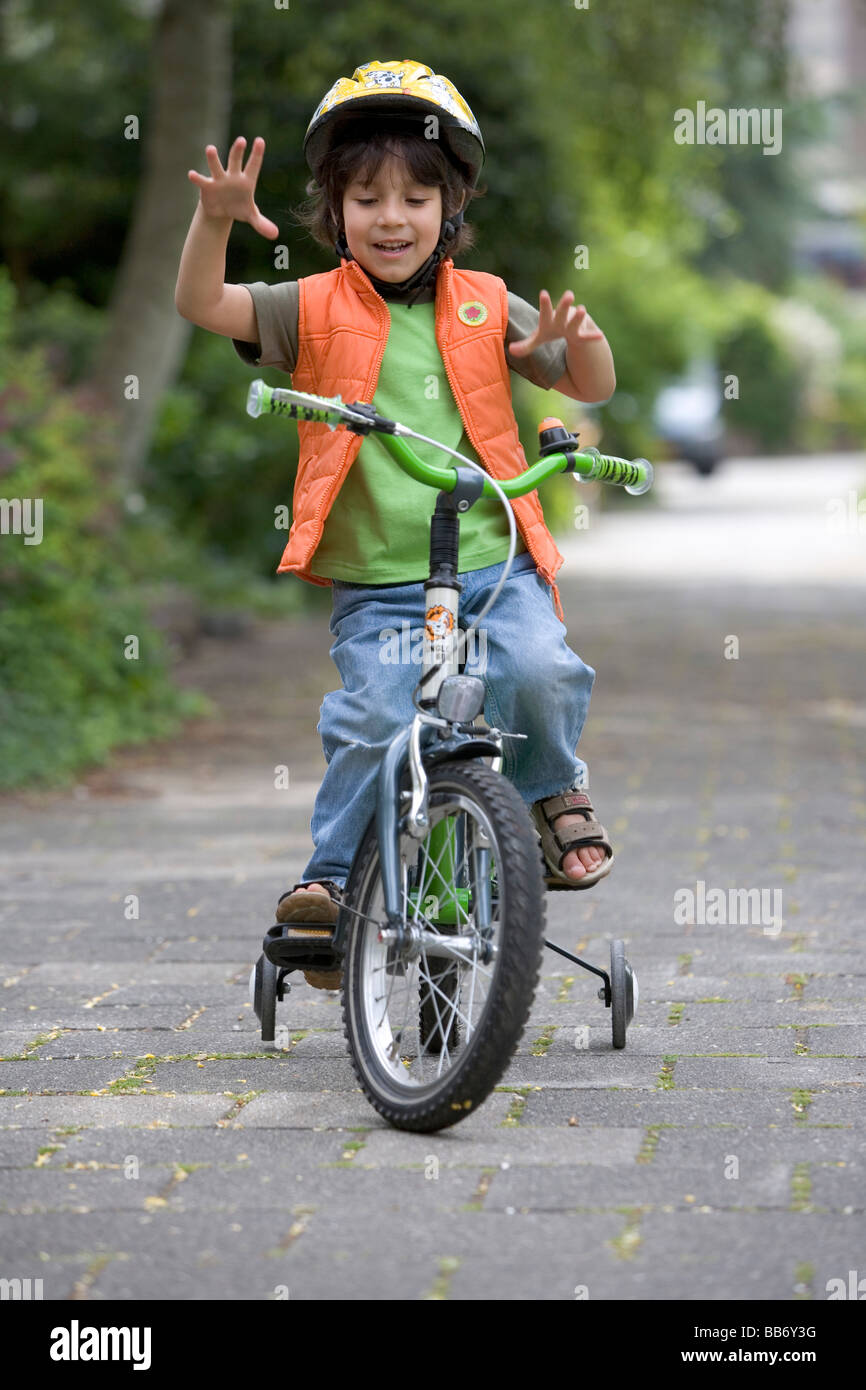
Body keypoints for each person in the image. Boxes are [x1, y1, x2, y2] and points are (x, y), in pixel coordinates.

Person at [175, 60, 617, 989]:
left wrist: (576, 350)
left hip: (497, 566)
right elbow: (202, 306)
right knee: (375, 717)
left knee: (538, 668)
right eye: (366, 196)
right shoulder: (311, 307)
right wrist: (215, 218)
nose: (391, 217)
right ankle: (331, 888)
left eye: (416, 197)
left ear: (449, 208)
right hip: (380, 588)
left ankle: (552, 794)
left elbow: (589, 385)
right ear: (333, 211)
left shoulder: (486, 303)